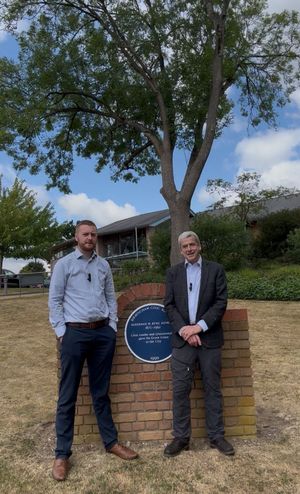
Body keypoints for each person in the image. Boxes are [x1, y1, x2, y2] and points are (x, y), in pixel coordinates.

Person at [49, 219, 138, 482]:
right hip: (74, 333)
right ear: (76, 237)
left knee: (101, 392)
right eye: (85, 234)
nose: (90, 238)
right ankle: (62, 454)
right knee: (67, 395)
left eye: (93, 234)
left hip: (102, 334)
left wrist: (111, 326)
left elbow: (111, 297)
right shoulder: (64, 265)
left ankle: (110, 443)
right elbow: (54, 300)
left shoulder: (103, 265)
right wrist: (62, 332)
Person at [163, 231, 234, 457]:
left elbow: (221, 303)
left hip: (209, 339)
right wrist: (186, 330)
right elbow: (169, 306)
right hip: (183, 341)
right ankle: (181, 438)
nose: (190, 249)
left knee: (212, 389)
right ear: (181, 250)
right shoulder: (173, 273)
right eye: (185, 246)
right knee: (180, 390)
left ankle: (216, 436)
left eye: (193, 244)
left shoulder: (215, 270)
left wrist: (200, 327)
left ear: (199, 246)